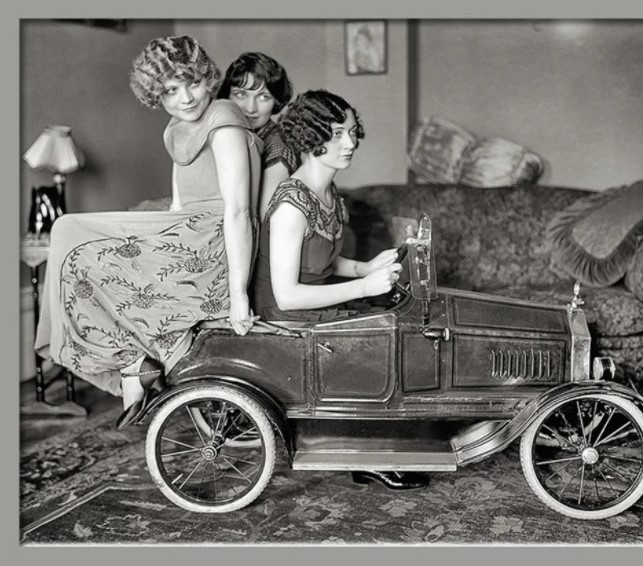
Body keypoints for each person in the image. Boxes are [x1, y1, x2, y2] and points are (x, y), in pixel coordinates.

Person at [35, 36, 262, 428]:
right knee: (74, 243)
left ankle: (133, 366)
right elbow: (176, 205)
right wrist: (138, 249)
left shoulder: (223, 116)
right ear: (156, 95)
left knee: (68, 229)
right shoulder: (177, 128)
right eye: (171, 90)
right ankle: (132, 362)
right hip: (184, 232)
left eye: (192, 82)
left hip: (213, 242)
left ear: (207, 78)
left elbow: (239, 210)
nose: (186, 98)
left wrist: (238, 295)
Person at [253, 89, 429, 490]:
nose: (350, 143)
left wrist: (365, 266)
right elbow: (288, 295)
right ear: (310, 136)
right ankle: (370, 452)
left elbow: (323, 262)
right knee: (384, 334)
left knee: (397, 313)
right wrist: (363, 285)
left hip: (313, 300)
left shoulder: (327, 193)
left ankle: (375, 447)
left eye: (351, 131)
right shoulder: (290, 206)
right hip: (287, 316)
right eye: (336, 134)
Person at [217, 52, 299, 219]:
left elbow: (265, 219)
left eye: (263, 97)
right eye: (241, 94)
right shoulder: (231, 134)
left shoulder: (278, 149)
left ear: (276, 102)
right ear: (227, 96)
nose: (250, 108)